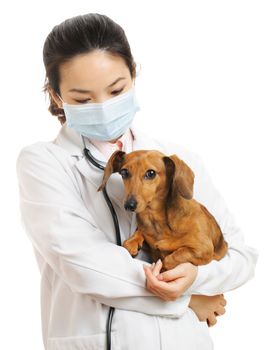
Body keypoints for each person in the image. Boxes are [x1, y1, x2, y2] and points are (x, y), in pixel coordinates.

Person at [16, 13, 258, 350]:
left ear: (134, 75)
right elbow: (83, 265)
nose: (103, 107)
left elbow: (241, 257)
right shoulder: (44, 163)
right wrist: (185, 300)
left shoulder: (175, 158)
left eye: (117, 89)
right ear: (56, 97)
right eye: (83, 99)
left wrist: (198, 278)